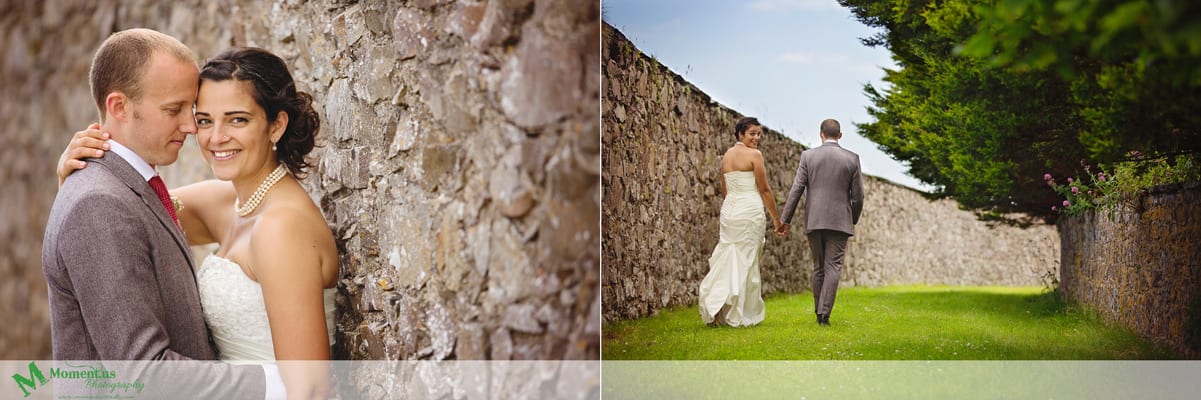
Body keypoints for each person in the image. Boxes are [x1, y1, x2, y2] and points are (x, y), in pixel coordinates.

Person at [54, 35, 336, 398]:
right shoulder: (223, 203)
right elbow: (117, 216)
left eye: (237, 120)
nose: (215, 137)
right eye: (204, 120)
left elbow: (309, 389)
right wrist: (73, 176)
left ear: (275, 126)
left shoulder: (281, 229)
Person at [777, 118, 864, 326]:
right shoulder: (852, 158)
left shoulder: (808, 156)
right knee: (833, 266)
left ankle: (818, 312)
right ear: (840, 135)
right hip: (840, 221)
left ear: (821, 134)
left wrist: (785, 220)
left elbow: (796, 189)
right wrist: (852, 218)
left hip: (814, 219)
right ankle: (824, 316)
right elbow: (858, 197)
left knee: (818, 267)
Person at [697, 117, 784, 327]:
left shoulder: (727, 156)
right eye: (752, 133)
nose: (756, 138)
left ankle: (717, 307)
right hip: (749, 210)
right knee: (746, 260)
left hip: (730, 211)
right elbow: (764, 189)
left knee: (728, 256)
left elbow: (725, 189)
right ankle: (738, 313)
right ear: (740, 134)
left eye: (759, 133)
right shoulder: (755, 155)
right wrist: (776, 220)